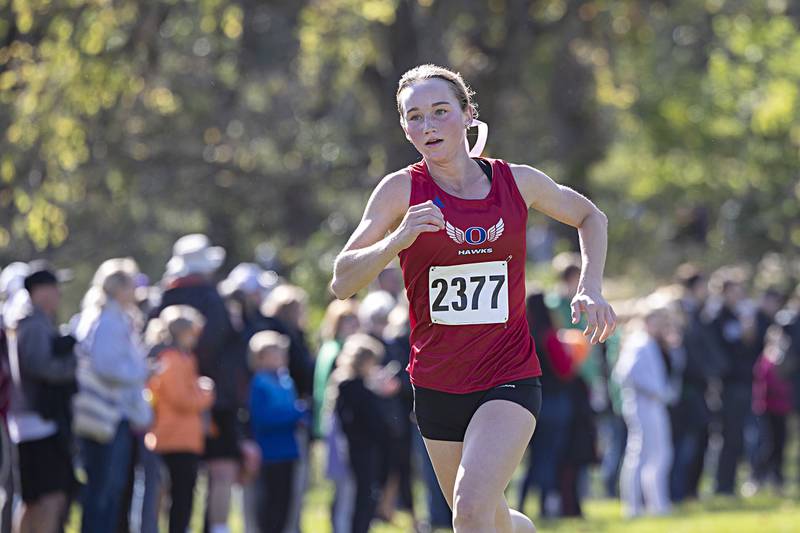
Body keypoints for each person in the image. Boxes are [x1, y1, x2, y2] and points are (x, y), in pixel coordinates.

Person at [330, 64, 616, 532]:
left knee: (468, 508)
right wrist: (397, 239)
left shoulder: (515, 181)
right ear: (404, 127)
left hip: (509, 373)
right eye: (415, 116)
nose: (428, 126)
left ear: (467, 114)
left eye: (440, 112)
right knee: (486, 518)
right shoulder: (401, 190)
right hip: (437, 381)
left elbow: (590, 216)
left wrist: (590, 285)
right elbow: (342, 281)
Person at [156, 234, 237, 533]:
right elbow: (221, 342)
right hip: (208, 400)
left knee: (175, 482)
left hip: (170, 404)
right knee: (214, 473)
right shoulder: (212, 298)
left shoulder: (163, 296)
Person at [72, 258, 152, 533]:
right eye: (131, 285)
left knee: (110, 490)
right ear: (119, 288)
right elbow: (106, 365)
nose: (136, 292)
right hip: (106, 417)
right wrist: (141, 371)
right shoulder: (108, 319)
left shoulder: (114, 317)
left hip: (114, 416)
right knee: (103, 491)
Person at [6, 262, 76, 533]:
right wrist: (73, 365)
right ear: (41, 291)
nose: (58, 293)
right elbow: (39, 366)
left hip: (32, 421)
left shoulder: (32, 321)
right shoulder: (34, 324)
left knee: (35, 499)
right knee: (49, 497)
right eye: (54, 287)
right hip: (38, 420)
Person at [145, 305, 215, 533]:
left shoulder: (184, 358)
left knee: (183, 496)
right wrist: (206, 394)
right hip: (173, 438)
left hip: (185, 438)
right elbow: (180, 399)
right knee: (179, 497)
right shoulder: (172, 360)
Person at [614, 299, 681, 517]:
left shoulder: (651, 343)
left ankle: (656, 503)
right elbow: (625, 373)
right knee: (640, 455)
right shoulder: (639, 343)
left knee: (660, 455)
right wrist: (657, 390)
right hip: (642, 406)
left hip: (654, 406)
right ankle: (633, 507)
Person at [331, 333, 399, 533]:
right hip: (356, 451)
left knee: (367, 497)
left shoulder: (362, 387)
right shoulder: (349, 387)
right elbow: (358, 422)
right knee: (357, 498)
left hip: (368, 451)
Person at [248, 330, 307, 533]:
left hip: (288, 450)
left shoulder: (286, 381)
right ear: (260, 357)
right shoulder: (259, 383)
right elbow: (262, 418)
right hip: (270, 453)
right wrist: (295, 413)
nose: (281, 358)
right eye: (275, 354)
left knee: (285, 503)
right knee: (270, 505)